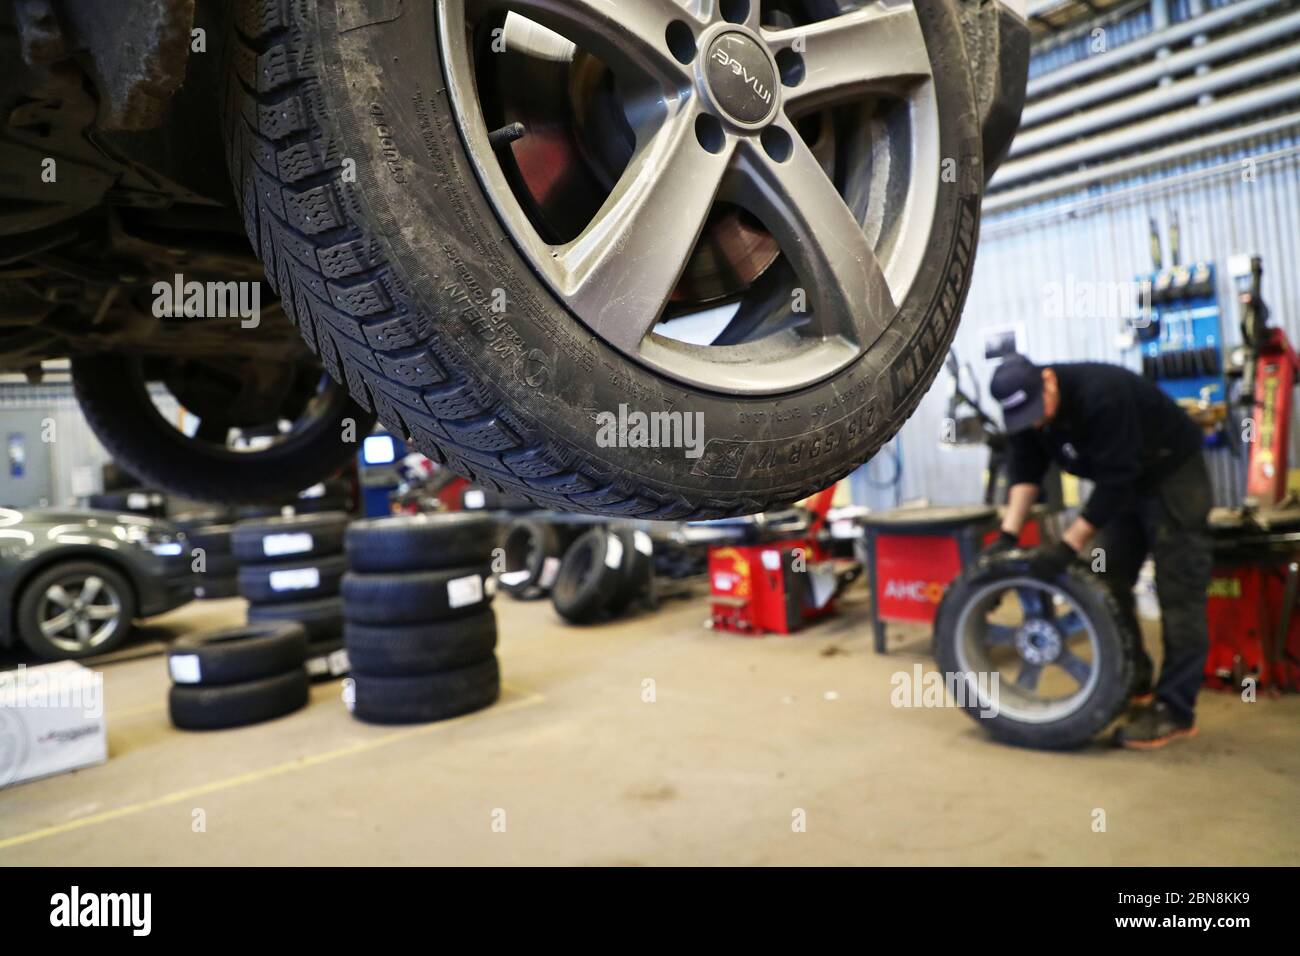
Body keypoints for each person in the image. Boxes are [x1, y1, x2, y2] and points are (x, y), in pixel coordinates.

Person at [984, 354, 1212, 749]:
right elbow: (1025, 471)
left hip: (1171, 476)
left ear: (1049, 380)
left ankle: (1175, 711)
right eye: (1024, 417)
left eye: (1038, 411)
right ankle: (1133, 680)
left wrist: (1067, 545)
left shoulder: (1103, 394)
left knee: (1178, 590)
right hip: (1124, 485)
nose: (1035, 422)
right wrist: (1007, 534)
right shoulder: (1025, 414)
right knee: (1108, 577)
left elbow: (1115, 482)